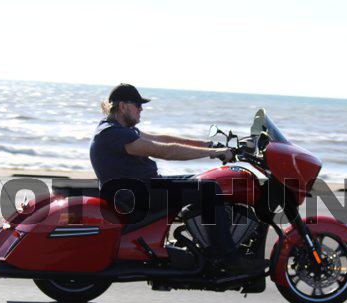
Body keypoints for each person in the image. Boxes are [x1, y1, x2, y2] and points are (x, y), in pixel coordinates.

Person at [90, 83, 266, 274]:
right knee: (209, 189)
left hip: (143, 189)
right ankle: (228, 258)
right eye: (138, 105)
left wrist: (210, 145)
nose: (141, 109)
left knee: (205, 180)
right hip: (137, 197)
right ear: (123, 106)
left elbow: (163, 139)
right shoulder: (114, 134)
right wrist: (215, 153)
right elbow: (166, 151)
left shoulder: (118, 129)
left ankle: (205, 236)